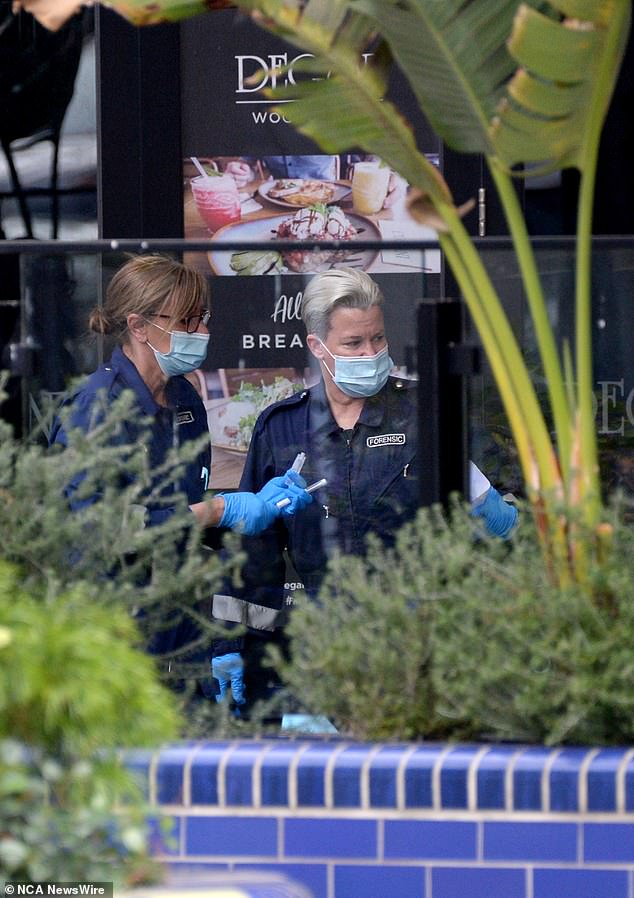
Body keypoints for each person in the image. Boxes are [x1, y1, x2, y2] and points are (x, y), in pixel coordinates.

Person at [212, 268, 517, 706]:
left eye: (378, 339)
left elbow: (514, 523)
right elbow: (252, 555)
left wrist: (488, 506)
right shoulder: (283, 427)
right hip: (326, 654)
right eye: (354, 344)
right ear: (317, 347)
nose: (371, 352)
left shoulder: (429, 410)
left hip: (428, 647)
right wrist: (230, 645)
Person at [50, 254, 313, 669]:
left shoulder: (184, 399)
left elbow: (187, 515)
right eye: (187, 322)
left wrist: (256, 507)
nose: (203, 331)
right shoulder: (97, 406)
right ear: (138, 326)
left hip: (184, 626)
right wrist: (220, 509)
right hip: (113, 632)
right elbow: (99, 529)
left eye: (202, 317)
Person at [223, 154, 407, 210]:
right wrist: (243, 171)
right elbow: (248, 161)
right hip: (273, 204)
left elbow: (372, 153)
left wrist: (387, 171)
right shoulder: (264, 114)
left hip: (327, 201)